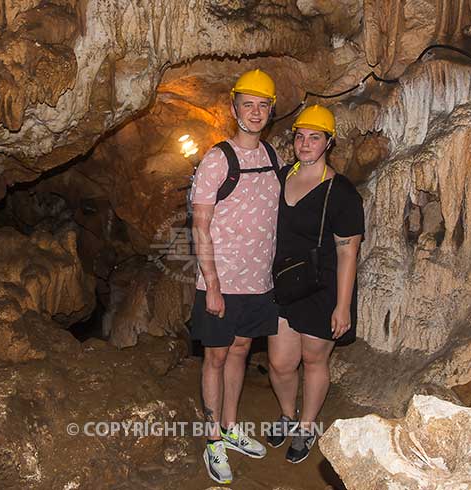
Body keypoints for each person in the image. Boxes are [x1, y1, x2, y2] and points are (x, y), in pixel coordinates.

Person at [189, 69, 283, 484]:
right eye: (249, 104)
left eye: (263, 105)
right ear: (234, 108)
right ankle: (212, 440)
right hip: (221, 282)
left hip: (258, 282)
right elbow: (199, 226)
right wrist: (211, 284)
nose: (256, 111)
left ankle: (229, 426)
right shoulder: (217, 159)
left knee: (242, 352)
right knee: (216, 355)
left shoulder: (274, 157)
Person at [266, 105, 364, 464]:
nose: (305, 144)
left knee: (313, 358)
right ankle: (286, 414)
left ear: (328, 142)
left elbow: (348, 250)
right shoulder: (278, 178)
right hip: (282, 283)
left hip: (324, 286)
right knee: (280, 362)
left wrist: (342, 304)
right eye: (300, 136)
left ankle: (306, 427)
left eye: (315, 138)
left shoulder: (341, 192)